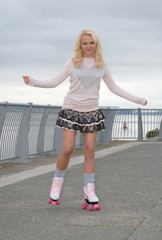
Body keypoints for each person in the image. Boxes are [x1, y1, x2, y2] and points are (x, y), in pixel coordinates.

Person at [23, 29, 147, 211]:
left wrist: (138, 99)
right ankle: (56, 184)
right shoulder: (72, 63)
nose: (88, 46)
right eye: (85, 43)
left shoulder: (101, 64)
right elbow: (54, 82)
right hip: (71, 110)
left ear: (96, 44)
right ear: (80, 45)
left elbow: (114, 87)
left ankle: (89, 190)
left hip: (91, 112)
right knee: (67, 149)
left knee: (90, 151)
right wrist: (33, 81)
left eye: (92, 43)